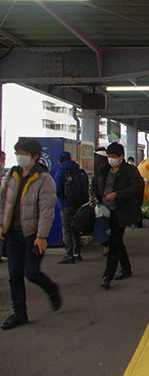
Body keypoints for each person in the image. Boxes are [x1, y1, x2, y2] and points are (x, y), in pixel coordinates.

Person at [0, 138, 62, 329]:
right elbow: (2, 200)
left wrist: (41, 236)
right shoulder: (12, 174)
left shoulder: (44, 179)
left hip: (32, 235)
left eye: (24, 153)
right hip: (13, 233)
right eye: (18, 152)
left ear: (35, 156)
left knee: (32, 273)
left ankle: (51, 289)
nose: (20, 157)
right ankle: (19, 313)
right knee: (14, 275)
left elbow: (46, 210)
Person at [91, 142, 144, 289]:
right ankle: (126, 268)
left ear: (121, 157)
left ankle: (107, 277)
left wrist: (118, 195)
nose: (111, 159)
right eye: (109, 156)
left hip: (121, 212)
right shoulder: (103, 170)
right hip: (104, 212)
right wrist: (95, 196)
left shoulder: (130, 171)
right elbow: (94, 185)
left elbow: (137, 187)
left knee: (114, 243)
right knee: (117, 241)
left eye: (114, 157)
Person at [55, 151, 86, 264]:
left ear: (59, 162)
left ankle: (69, 255)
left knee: (67, 230)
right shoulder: (78, 171)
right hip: (78, 204)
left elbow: (57, 190)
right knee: (76, 230)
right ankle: (77, 254)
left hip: (65, 205)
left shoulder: (60, 172)